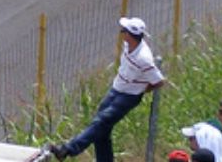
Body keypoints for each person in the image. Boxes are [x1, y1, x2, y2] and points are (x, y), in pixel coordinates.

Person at [48, 18, 167, 162]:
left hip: (129, 96)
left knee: (101, 122)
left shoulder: (144, 59)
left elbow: (159, 81)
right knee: (102, 129)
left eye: (124, 31)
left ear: (130, 35)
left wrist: (141, 88)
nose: (122, 33)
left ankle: (68, 149)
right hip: (116, 89)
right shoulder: (128, 45)